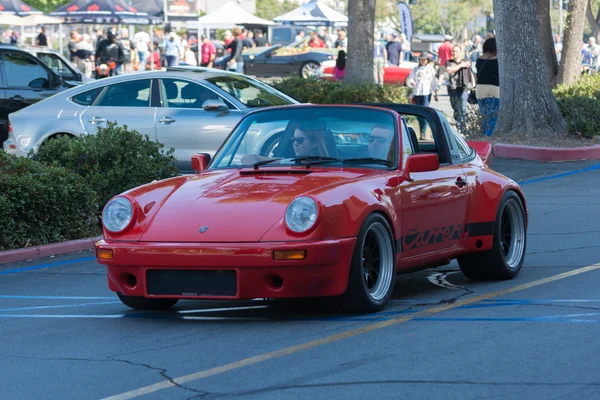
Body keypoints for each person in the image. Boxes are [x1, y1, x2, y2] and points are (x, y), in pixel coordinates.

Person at [406, 51, 439, 139]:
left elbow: (433, 82)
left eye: (425, 59)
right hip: (417, 92)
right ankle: (421, 131)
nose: (423, 61)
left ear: (427, 60)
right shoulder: (415, 69)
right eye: (421, 59)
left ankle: (423, 132)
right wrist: (412, 82)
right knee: (418, 113)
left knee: (425, 110)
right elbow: (410, 79)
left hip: (426, 92)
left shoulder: (430, 69)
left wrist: (436, 93)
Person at [445, 45, 474, 134]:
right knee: (456, 109)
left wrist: (474, 85)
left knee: (463, 108)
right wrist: (461, 65)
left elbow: (471, 73)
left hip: (463, 88)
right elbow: (450, 71)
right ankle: (459, 127)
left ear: (460, 52)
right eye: (453, 51)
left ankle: (463, 128)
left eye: (456, 51)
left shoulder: (466, 62)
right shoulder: (449, 62)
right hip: (452, 89)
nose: (454, 53)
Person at [475, 38, 499, 136]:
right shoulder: (496, 60)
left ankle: (482, 136)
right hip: (493, 90)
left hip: (480, 89)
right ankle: (488, 138)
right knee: (492, 118)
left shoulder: (478, 59)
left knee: (484, 117)